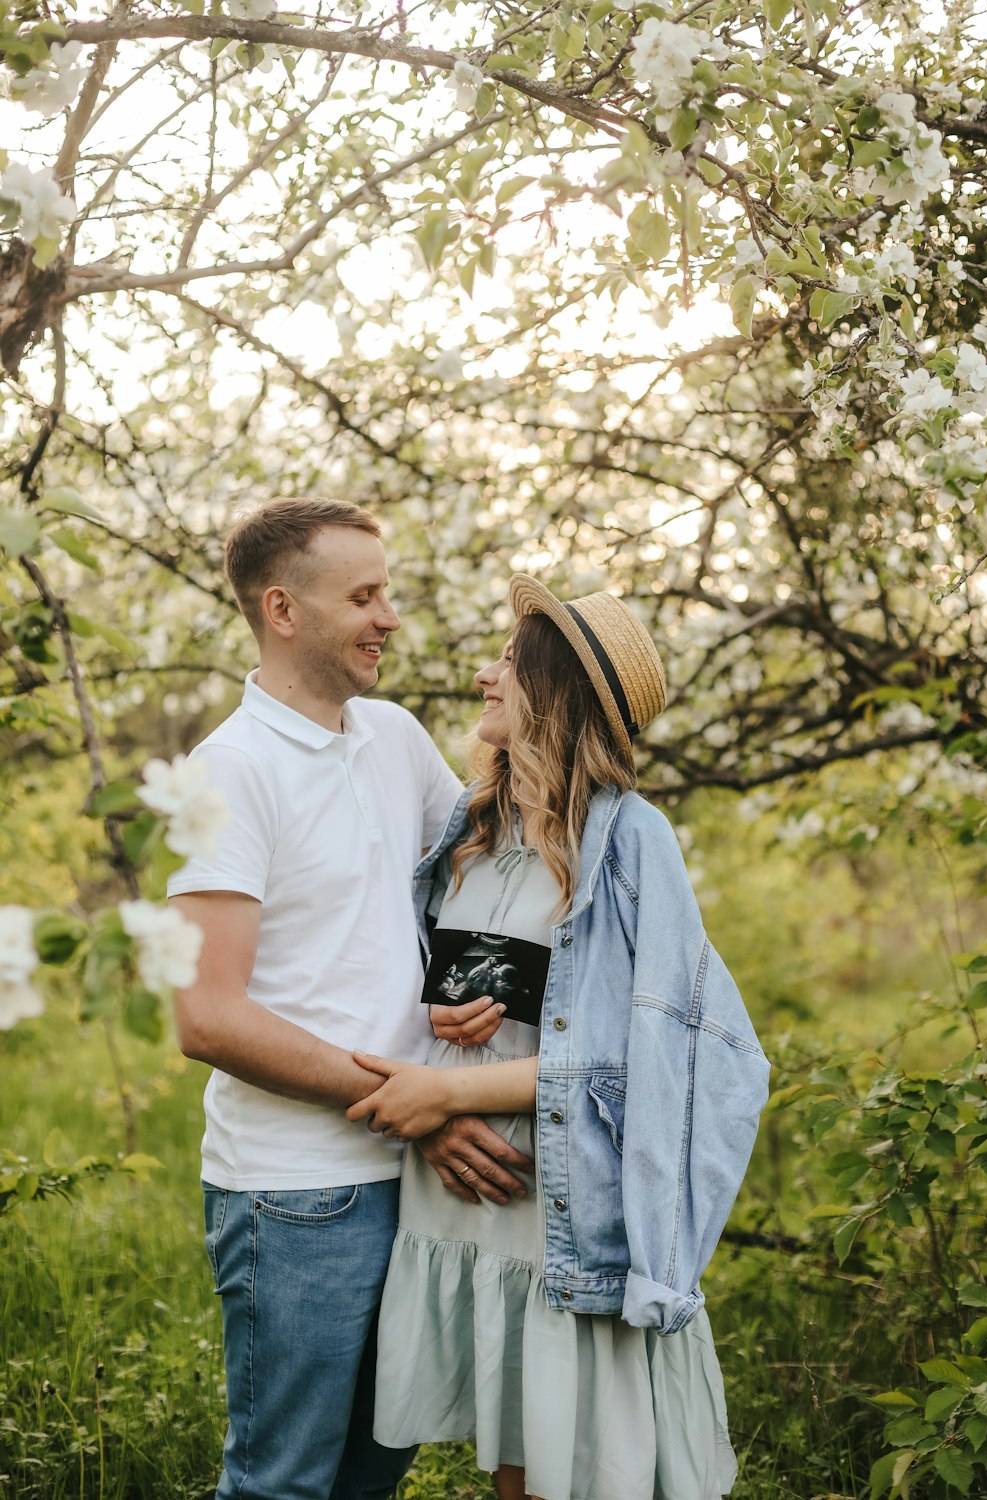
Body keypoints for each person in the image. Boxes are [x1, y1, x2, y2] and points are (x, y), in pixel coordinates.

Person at [347, 574, 771, 1500]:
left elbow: (645, 1058)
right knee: (518, 1456)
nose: (485, 678)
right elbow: (482, 997)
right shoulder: (470, 827)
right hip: (468, 1198)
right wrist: (441, 1022)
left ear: (553, 690)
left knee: (575, 1469)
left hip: (560, 1200)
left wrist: (447, 1094)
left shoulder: (627, 843)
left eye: (508, 662)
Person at [166, 498, 532, 1500]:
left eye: (389, 591)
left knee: (377, 1468)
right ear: (283, 610)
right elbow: (207, 1015)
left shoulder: (393, 735)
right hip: (296, 1196)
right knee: (283, 1481)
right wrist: (412, 1109)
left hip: (413, 1175)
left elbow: (468, 895)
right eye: (363, 596)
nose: (390, 617)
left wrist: (468, 1003)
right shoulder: (228, 775)